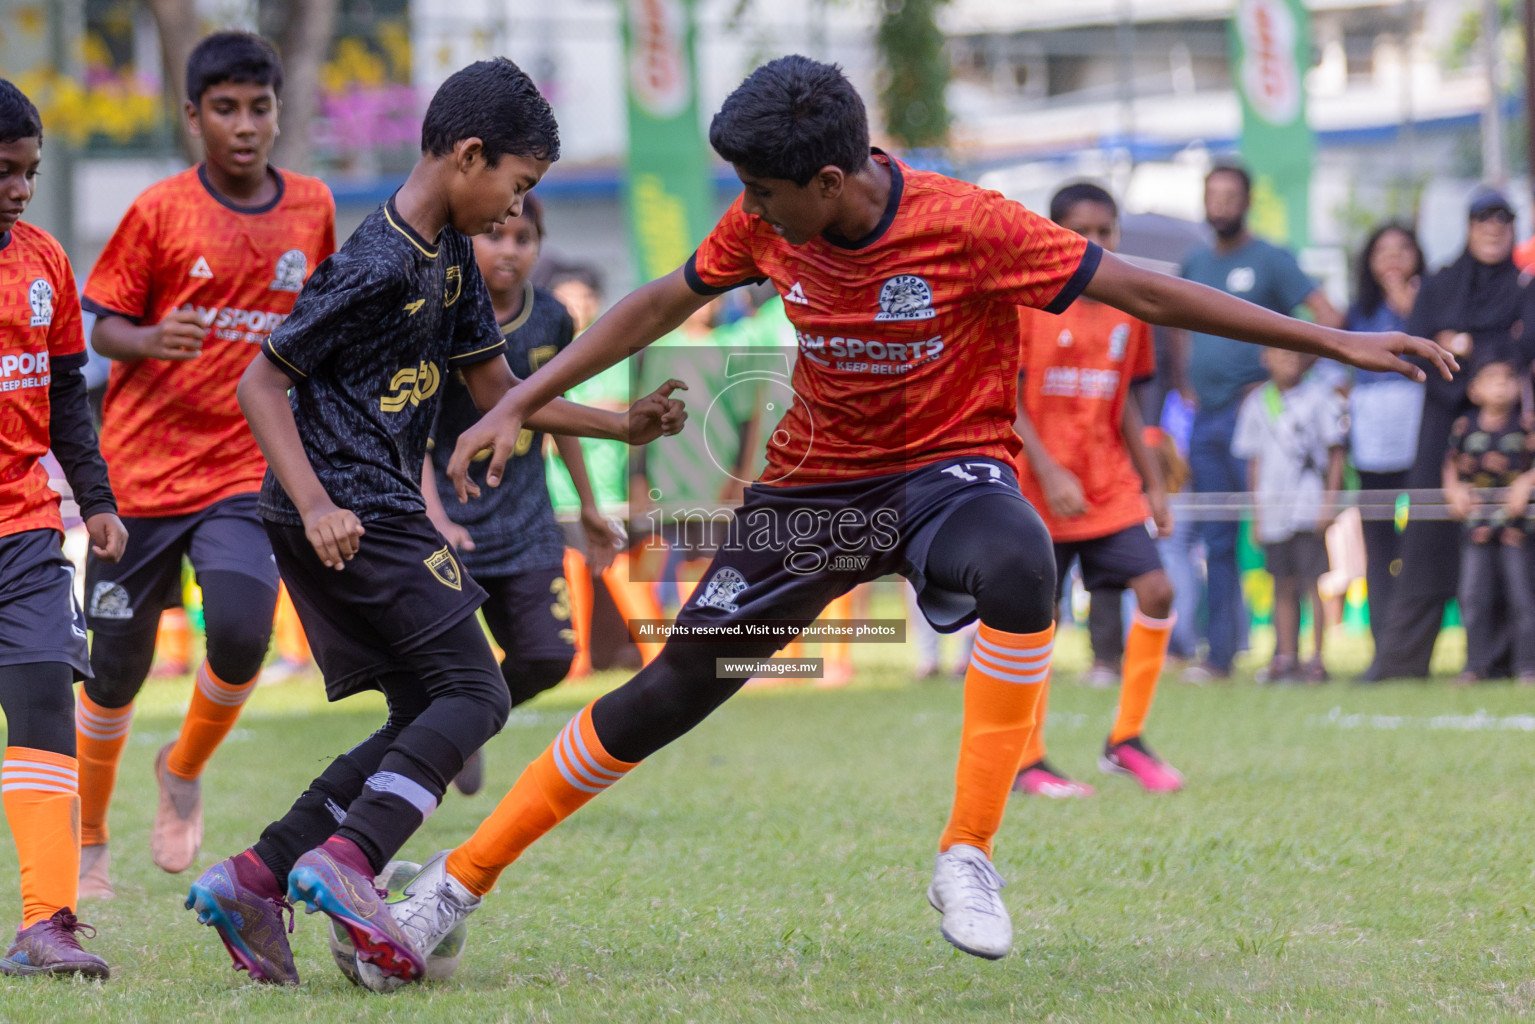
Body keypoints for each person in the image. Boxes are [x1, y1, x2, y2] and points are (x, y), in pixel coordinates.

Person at [346, 56, 1452, 987]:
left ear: (830, 180)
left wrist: (1334, 341)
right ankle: (452, 886)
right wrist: (521, 401)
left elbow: (1145, 292)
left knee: (1020, 561)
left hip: (944, 474)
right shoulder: (766, 213)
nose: (752, 210)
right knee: (666, 689)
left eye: (767, 193)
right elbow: (656, 303)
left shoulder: (969, 226)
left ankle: (966, 851)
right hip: (812, 491)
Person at [181, 58, 686, 988]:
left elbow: (500, 394)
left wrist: (621, 422)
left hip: (361, 507)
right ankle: (347, 859)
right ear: (468, 155)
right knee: (480, 694)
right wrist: (317, 502)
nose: (511, 212)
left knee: (429, 705)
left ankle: (256, 877)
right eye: (516, 187)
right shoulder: (376, 259)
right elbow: (261, 380)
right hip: (352, 509)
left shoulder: (446, 256)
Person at [74, 32, 336, 895]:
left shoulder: (311, 207)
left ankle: (182, 768)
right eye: (225, 108)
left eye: (259, 107)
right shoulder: (156, 211)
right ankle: (88, 837)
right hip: (140, 475)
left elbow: (322, 327)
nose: (245, 125)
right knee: (112, 673)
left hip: (240, 472)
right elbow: (101, 323)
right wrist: (150, 339)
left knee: (238, 631)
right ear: (193, 117)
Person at [420, 193, 615, 796]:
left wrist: (587, 503)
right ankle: (447, 729)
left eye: (524, 238)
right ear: (470, 239)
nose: (509, 250)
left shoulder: (553, 317)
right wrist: (434, 520)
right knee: (440, 665)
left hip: (528, 516)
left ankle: (467, 727)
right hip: (450, 519)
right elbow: (415, 434)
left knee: (550, 656)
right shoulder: (435, 315)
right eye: (496, 235)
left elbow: (558, 415)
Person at [0, 78, 127, 978]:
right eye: (4, 172)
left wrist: (101, 499)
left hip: (26, 528)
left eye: (30, 172)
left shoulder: (44, 261)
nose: (19, 188)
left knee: (46, 695)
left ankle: (47, 923)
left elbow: (65, 406)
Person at [1009, 183, 1180, 798]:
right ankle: (1028, 760)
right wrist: (1049, 470)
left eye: (1107, 232)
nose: (1097, 243)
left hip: (1108, 486)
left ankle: (1126, 739)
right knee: (1034, 621)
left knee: (1157, 589)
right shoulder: (1027, 304)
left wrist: (1154, 485)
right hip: (1038, 488)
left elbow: (1128, 401)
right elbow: (1006, 399)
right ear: (1055, 233)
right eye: (1083, 230)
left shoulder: (1127, 307)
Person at [1170, 165, 1343, 682]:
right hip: (1206, 421)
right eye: (1212, 195)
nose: (1220, 205)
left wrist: (1286, 373)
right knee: (1217, 539)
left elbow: (1328, 315)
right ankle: (1221, 655)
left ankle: (1296, 654)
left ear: (1246, 202)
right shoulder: (1194, 260)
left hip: (1262, 421)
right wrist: (1186, 381)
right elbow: (1176, 321)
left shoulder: (1271, 259)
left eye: (1230, 196)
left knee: (1286, 537)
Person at [1366, 187, 1530, 681]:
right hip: (1442, 433)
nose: (1493, 229)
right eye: (1483, 220)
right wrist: (1477, 352)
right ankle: (1402, 662)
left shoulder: (1525, 289)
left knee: (1512, 553)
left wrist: (1462, 348)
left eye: (1503, 221)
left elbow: (1520, 356)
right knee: (1426, 547)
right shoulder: (1441, 286)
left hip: (1509, 441)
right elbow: (1416, 351)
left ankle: (1501, 660)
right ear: (1468, 227)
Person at [1232, 350, 1345, 682]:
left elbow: (1335, 452)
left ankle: (1317, 658)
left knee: (1314, 582)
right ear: (1266, 357)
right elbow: (1252, 461)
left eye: (1294, 355)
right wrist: (1257, 514)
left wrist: (1329, 502)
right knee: (1282, 583)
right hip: (1274, 507)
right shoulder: (1257, 402)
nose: (1288, 361)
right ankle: (1285, 656)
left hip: (1309, 505)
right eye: (1280, 355)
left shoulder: (1319, 396)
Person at [1344, 224, 1424, 656]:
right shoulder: (1357, 312)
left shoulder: (1428, 302)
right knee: (1378, 545)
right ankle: (1384, 645)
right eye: (1383, 251)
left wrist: (1410, 305)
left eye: (1403, 249)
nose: (1393, 258)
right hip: (1372, 443)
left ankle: (1413, 642)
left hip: (1417, 437)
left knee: (1419, 542)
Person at [1443, 359, 1535, 683]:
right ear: (1475, 389)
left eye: (1509, 378)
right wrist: (1453, 490)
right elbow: (1450, 465)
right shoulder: (1465, 426)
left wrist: (1526, 482)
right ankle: (1474, 667)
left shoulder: (1526, 425)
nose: (1501, 385)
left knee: (1522, 596)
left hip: (1516, 530)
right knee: (1472, 596)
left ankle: (1527, 667)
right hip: (1475, 529)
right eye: (1492, 378)